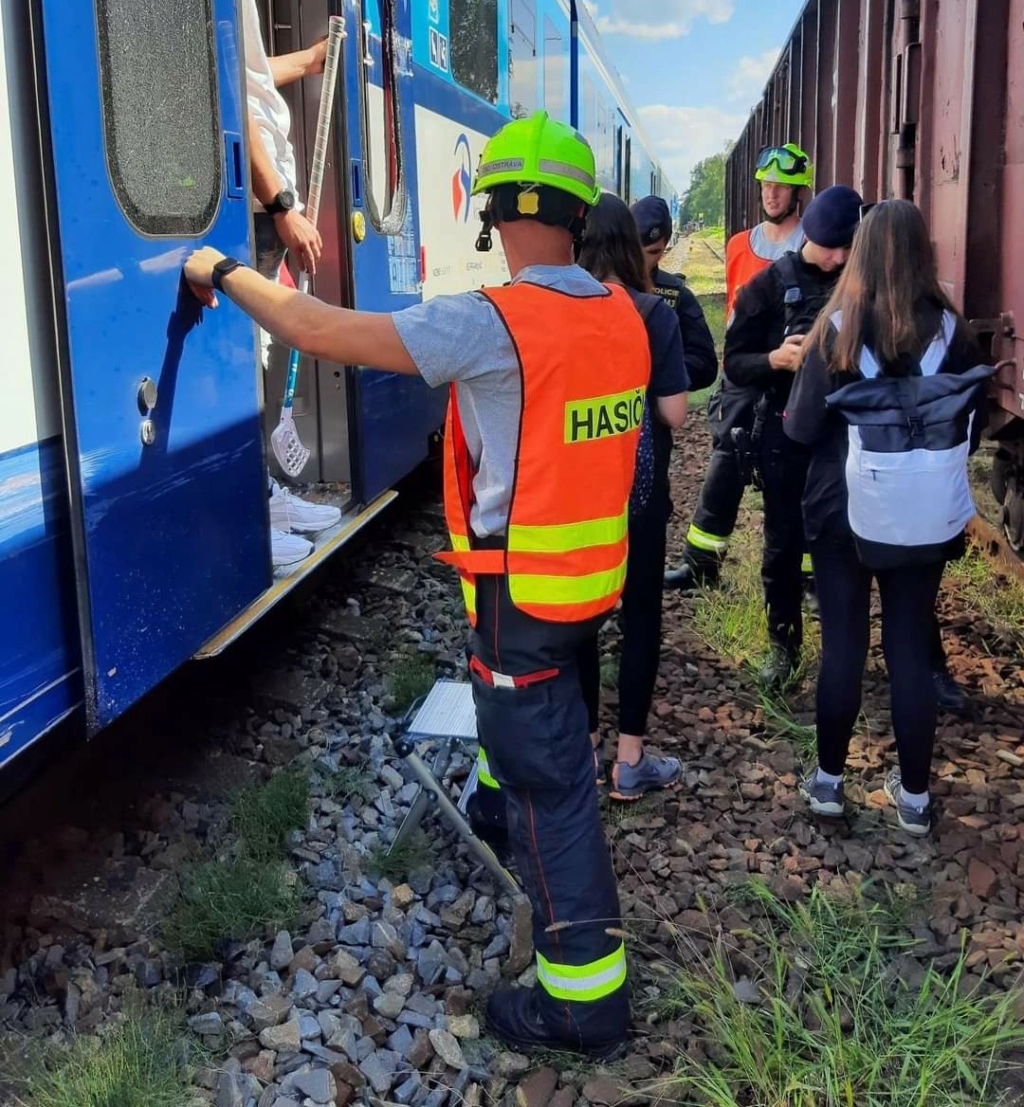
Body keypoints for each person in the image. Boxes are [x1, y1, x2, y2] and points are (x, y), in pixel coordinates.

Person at [184, 111, 649, 1059]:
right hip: (585, 587)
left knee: (553, 788)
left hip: (521, 596)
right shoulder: (623, 315)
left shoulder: (492, 323)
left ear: (505, 210)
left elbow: (319, 328)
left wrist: (220, 271)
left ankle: (584, 1002)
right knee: (528, 737)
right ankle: (492, 799)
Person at [784, 201, 987, 835]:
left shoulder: (835, 328)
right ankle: (917, 800)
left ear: (863, 251)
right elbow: (970, 434)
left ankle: (827, 783)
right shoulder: (953, 332)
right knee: (907, 647)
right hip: (921, 518)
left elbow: (800, 427)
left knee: (842, 644)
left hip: (842, 511)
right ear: (923, 251)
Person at [236, 0, 341, 566]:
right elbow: (228, 101)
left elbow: (246, 76)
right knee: (257, 346)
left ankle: (271, 492)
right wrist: (283, 206)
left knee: (268, 347)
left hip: (268, 199)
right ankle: (256, 508)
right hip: (259, 201)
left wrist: (303, 62)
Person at [722, 185, 862, 687]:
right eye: (831, 247)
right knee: (782, 543)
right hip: (784, 432)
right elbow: (734, 363)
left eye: (849, 248)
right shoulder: (768, 285)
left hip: (847, 436)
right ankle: (782, 645)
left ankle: (847, 650)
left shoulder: (857, 280)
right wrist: (774, 360)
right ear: (811, 237)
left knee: (849, 541)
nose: (840, 258)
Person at [576, 195, 689, 799]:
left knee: (586, 619)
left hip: (578, 493)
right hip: (639, 491)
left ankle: (588, 745)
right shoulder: (652, 312)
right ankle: (630, 761)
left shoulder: (564, 309)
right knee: (641, 616)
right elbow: (674, 412)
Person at [665, 144, 812, 592]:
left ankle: (807, 576)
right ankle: (701, 563)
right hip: (746, 374)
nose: (771, 194)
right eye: (767, 185)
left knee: (797, 475)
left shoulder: (811, 245)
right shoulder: (737, 246)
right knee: (725, 463)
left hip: (793, 377)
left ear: (797, 193)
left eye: (781, 186)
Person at [632, 196, 718, 392]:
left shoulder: (677, 295)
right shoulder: (604, 287)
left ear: (665, 245)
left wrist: (666, 372)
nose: (642, 262)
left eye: (653, 252)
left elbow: (705, 364)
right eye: (636, 251)